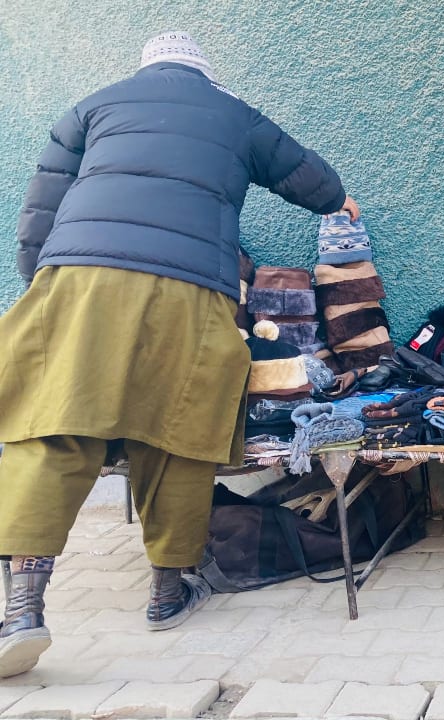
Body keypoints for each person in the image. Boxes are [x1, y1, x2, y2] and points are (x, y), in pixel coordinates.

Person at [0, 31, 358, 678]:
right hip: (192, 286)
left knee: (52, 431)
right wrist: (337, 204)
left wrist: (46, 283)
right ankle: (169, 590)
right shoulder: (235, 113)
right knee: (181, 432)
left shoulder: (92, 106)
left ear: (146, 69)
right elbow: (312, 176)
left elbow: (41, 208)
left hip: (80, 278)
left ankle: (22, 608)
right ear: (204, 75)